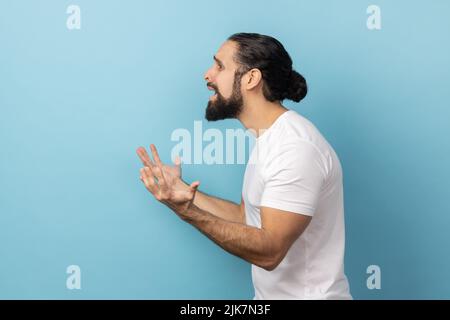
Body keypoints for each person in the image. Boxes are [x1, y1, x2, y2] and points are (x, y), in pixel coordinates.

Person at [136, 33, 352, 299]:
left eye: (220, 66)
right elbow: (246, 218)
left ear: (251, 79)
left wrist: (187, 211)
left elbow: (270, 251)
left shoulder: (295, 149)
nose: (208, 75)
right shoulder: (269, 137)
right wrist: (178, 191)